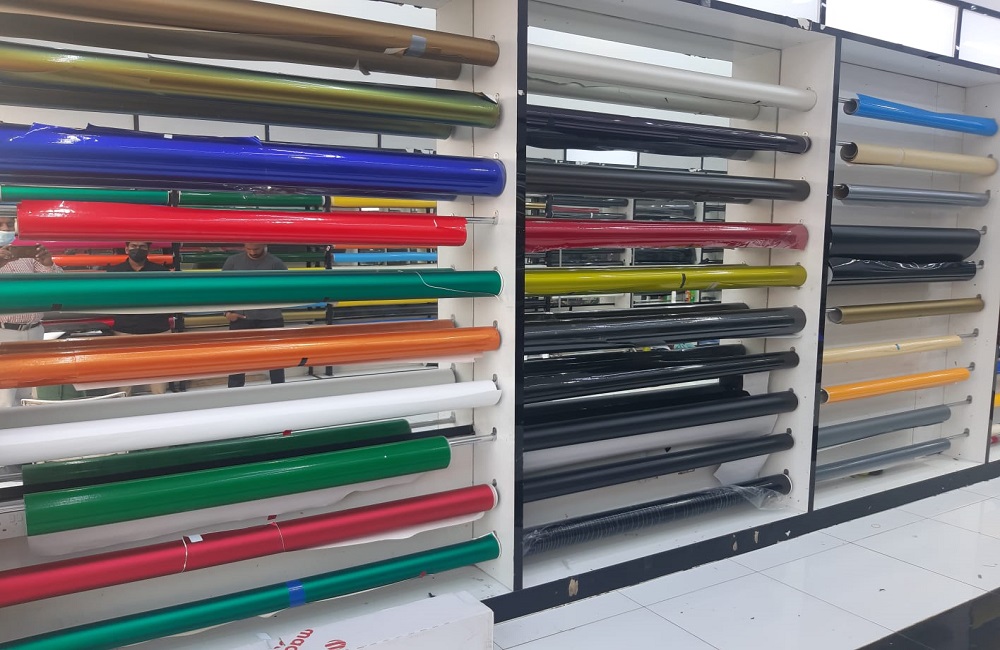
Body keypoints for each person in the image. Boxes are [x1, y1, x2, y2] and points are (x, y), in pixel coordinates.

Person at [0, 217, 62, 407]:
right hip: (4, 332)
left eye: (9, 224)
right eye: (0, 224)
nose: (5, 229)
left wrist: (48, 264)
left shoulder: (27, 253)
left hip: (35, 330)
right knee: (4, 393)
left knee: (28, 387)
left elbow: (57, 286)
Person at [106, 242, 172, 396]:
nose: (138, 249)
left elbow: (169, 297)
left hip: (157, 330)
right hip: (125, 330)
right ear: (126, 248)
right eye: (134, 246)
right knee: (124, 376)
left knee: (159, 377)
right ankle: (124, 407)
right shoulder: (114, 272)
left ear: (148, 249)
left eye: (142, 246)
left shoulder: (161, 272)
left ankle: (160, 407)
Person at [222, 243, 288, 387]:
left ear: (264, 244)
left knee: (276, 359)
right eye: (248, 249)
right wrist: (227, 312)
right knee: (237, 359)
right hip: (241, 318)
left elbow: (287, 289)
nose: (252, 252)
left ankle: (279, 391)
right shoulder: (233, 262)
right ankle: (234, 392)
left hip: (271, 318)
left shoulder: (276, 263)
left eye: (256, 249)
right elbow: (222, 288)